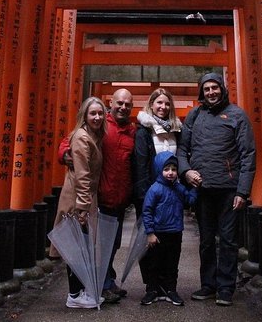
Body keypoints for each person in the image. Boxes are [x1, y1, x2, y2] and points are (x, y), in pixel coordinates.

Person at [176, 72, 256, 306]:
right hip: (203, 188)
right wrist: (186, 172)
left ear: (222, 89)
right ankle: (208, 285)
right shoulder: (194, 116)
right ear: (202, 92)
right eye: (207, 89)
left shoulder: (237, 115)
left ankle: (225, 288)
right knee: (207, 240)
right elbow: (182, 150)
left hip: (229, 189)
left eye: (215, 88)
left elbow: (248, 154)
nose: (211, 92)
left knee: (229, 240)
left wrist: (243, 191)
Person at [58, 89, 136, 303]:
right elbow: (70, 142)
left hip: (119, 198)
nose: (123, 107)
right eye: (119, 103)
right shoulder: (98, 127)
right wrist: (65, 154)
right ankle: (94, 288)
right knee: (94, 245)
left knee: (111, 244)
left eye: (127, 104)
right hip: (98, 197)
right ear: (112, 102)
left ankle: (106, 282)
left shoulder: (131, 131)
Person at [50, 96, 107, 309]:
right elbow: (83, 174)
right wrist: (83, 207)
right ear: (84, 115)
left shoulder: (93, 136)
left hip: (83, 197)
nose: (97, 117)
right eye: (93, 113)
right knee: (75, 247)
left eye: (100, 113)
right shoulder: (82, 137)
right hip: (77, 198)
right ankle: (74, 294)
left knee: (82, 246)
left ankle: (81, 292)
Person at [133, 88, 182, 296]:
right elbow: (141, 164)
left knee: (170, 241)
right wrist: (144, 197)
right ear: (151, 105)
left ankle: (167, 284)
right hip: (150, 193)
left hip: (171, 194)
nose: (163, 107)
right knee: (149, 240)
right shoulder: (144, 131)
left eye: (167, 103)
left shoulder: (176, 130)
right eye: (159, 103)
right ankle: (151, 285)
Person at [140, 151, 197, 306]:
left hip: (175, 232)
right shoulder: (155, 189)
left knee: (172, 263)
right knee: (154, 263)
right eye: (166, 169)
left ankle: (171, 290)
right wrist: (150, 232)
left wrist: (194, 188)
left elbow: (189, 200)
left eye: (173, 169)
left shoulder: (179, 188)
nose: (170, 173)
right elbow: (147, 211)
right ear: (159, 170)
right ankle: (152, 290)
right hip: (158, 233)